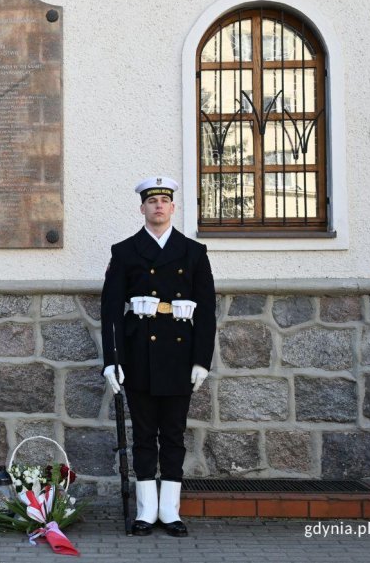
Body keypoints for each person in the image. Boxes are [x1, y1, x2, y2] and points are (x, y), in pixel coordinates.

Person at [100, 176, 215, 537]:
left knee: (175, 436)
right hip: (139, 357)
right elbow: (111, 312)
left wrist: (202, 361)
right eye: (152, 202)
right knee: (145, 436)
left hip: (180, 359)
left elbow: (207, 311)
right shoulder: (125, 252)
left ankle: (171, 511)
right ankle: (146, 511)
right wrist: (111, 360)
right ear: (142, 208)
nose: (159, 206)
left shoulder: (194, 252)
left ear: (173, 207)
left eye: (165, 201)